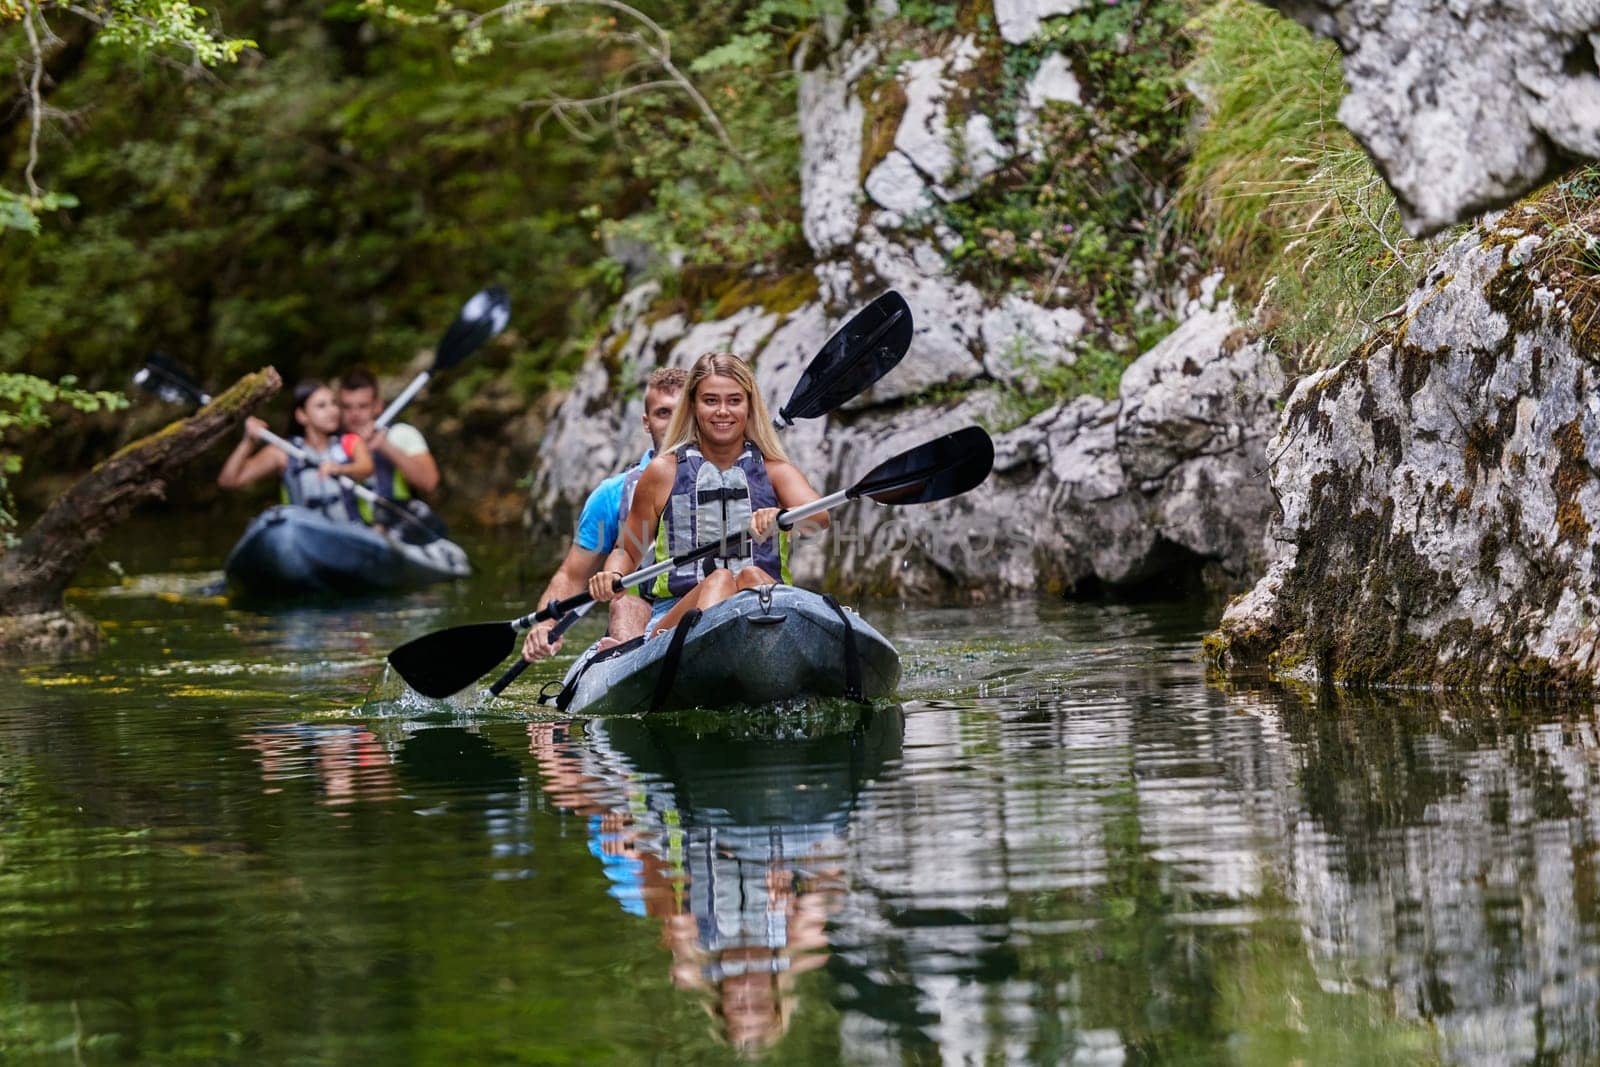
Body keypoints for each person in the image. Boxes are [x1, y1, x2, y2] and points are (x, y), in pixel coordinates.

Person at [589, 352, 828, 638]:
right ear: (693, 406)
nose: (723, 411)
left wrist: (782, 518)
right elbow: (627, 550)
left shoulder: (775, 471)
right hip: (675, 617)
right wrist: (613, 575)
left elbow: (818, 519)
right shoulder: (663, 472)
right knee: (720, 580)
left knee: (751, 577)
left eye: (734, 400)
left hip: (763, 608)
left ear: (749, 407)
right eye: (711, 400)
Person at [521, 366, 687, 661]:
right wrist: (546, 624)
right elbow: (572, 576)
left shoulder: (729, 477)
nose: (674, 422)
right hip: (642, 616)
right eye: (663, 413)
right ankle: (630, 667)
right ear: (647, 423)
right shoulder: (612, 494)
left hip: (705, 607)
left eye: (681, 411)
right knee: (625, 604)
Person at [217, 379, 373, 520]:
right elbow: (229, 481)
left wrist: (341, 469)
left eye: (334, 403)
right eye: (321, 406)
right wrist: (248, 443)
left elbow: (366, 468)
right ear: (302, 415)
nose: (332, 410)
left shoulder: (350, 442)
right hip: (305, 534)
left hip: (351, 534)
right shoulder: (284, 452)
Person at [336, 366, 440, 507]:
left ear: (378, 405)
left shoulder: (400, 433)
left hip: (400, 523)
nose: (355, 414)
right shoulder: (333, 445)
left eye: (363, 406)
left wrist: (385, 446)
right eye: (347, 407)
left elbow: (429, 482)